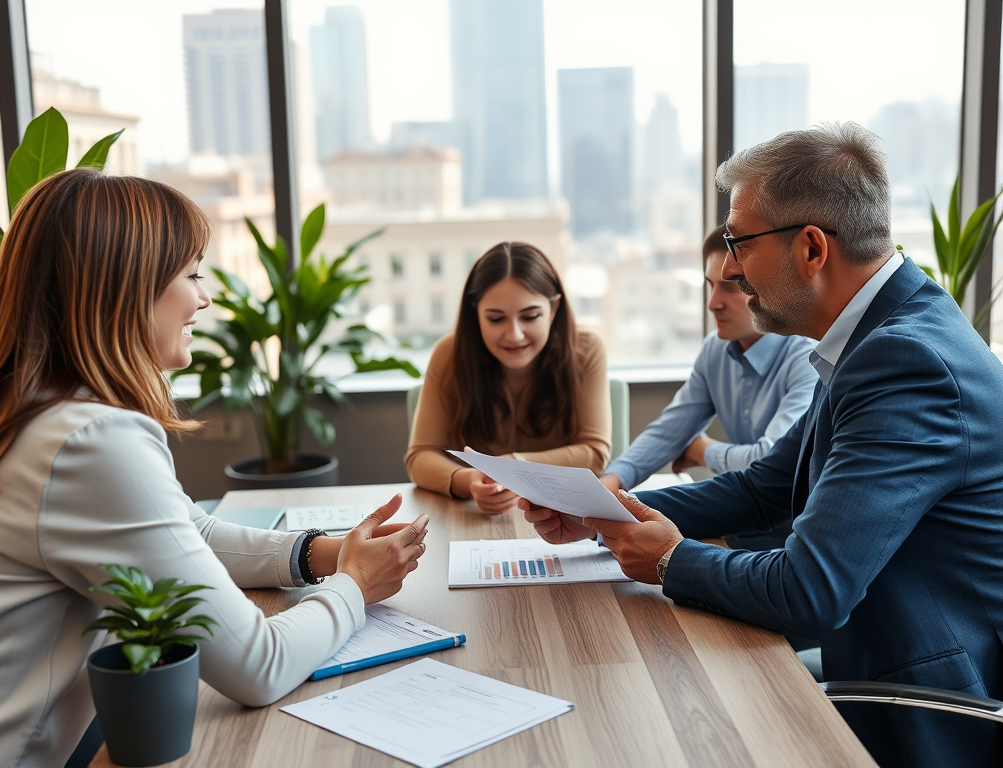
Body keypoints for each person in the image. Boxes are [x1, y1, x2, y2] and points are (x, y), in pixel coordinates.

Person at [522, 123, 1003, 767]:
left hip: (930, 697)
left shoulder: (903, 360)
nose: (730, 268)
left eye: (739, 242)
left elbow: (810, 588)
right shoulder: (878, 334)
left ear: (811, 248)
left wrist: (668, 561)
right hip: (883, 657)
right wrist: (602, 513)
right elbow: (765, 486)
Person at [0, 169, 429, 768]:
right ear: (126, 286)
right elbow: (257, 665)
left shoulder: (31, 413)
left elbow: (190, 532)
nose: (204, 298)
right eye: (191, 274)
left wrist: (326, 552)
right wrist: (356, 586)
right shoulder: (89, 441)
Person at [601, 225, 817, 551]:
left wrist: (702, 450)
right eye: (710, 285)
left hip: (794, 529)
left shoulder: (807, 358)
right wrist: (612, 482)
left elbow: (767, 464)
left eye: (732, 287)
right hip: (743, 515)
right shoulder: (715, 350)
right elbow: (670, 430)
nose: (713, 303)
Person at [405, 241, 610, 514]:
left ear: (554, 309)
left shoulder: (586, 349)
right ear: (475, 312)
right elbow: (419, 457)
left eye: (530, 316)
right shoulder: (448, 353)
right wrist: (468, 481)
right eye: (496, 319)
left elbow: (595, 453)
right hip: (474, 520)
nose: (514, 334)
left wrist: (514, 466)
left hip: (562, 519)